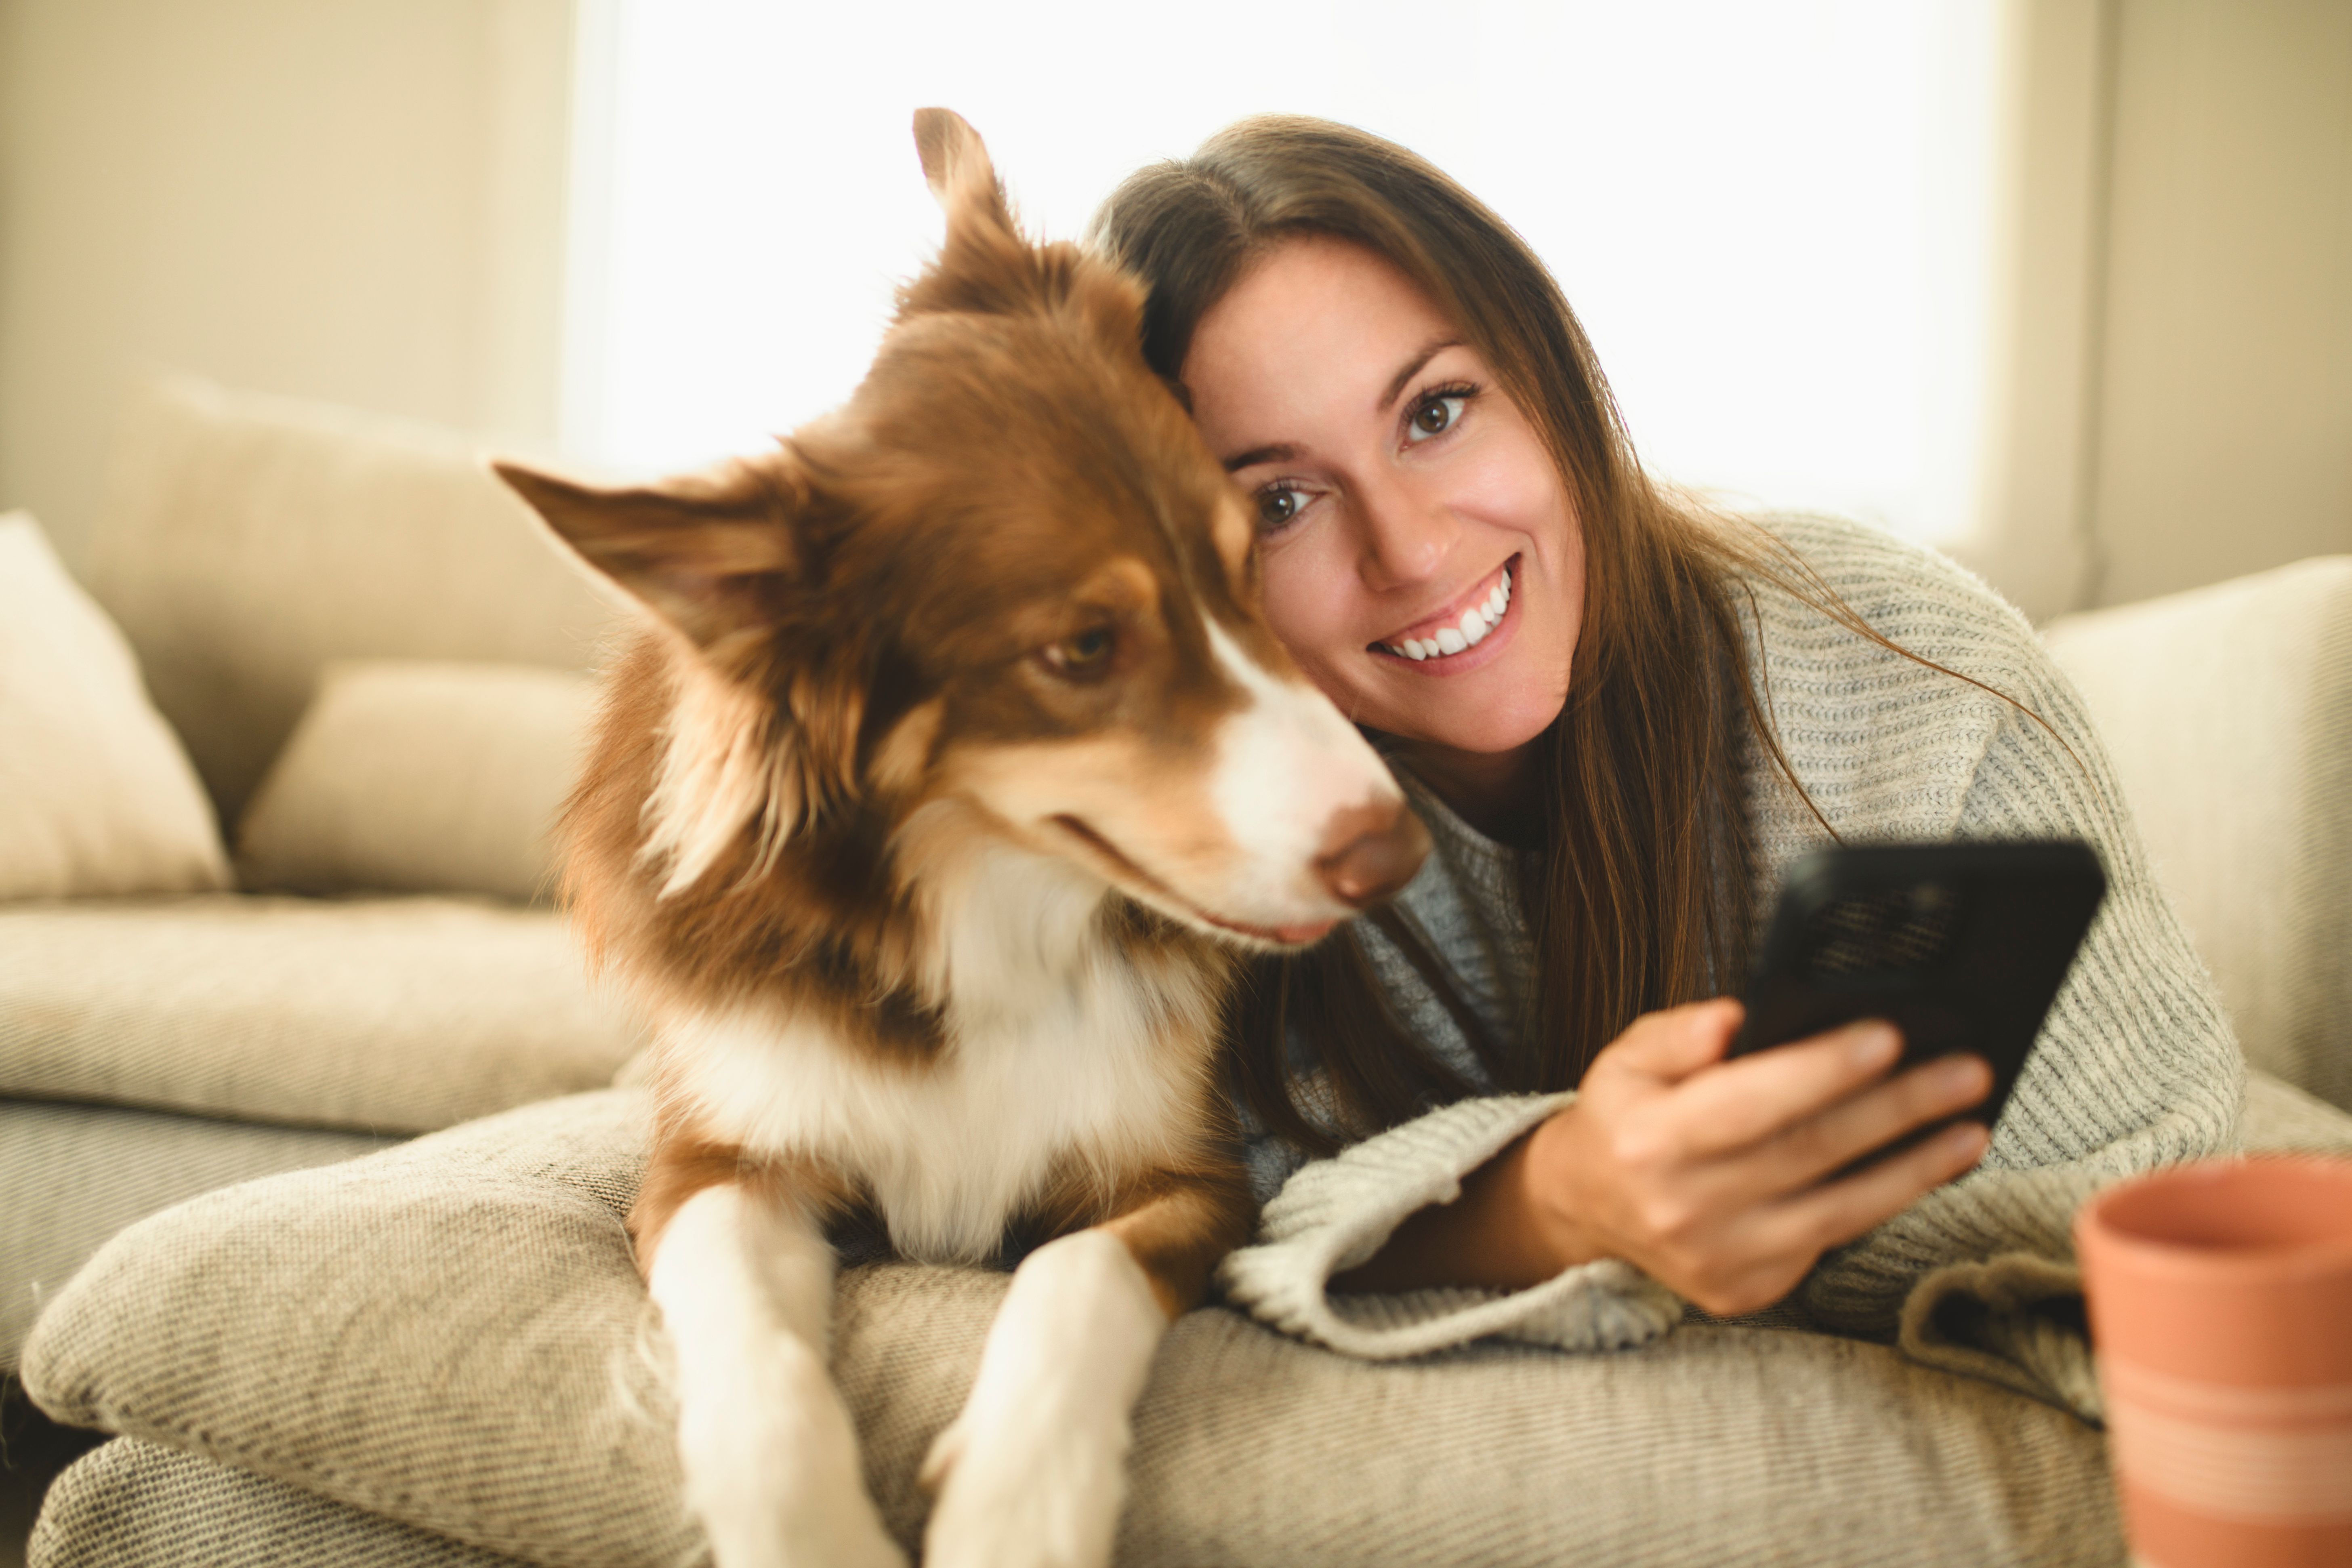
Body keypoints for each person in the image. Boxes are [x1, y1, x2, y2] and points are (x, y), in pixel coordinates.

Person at [1086, 116, 2240, 1373]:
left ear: (1551, 379)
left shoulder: (1911, 670)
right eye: (1281, 503)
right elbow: (1224, 1193)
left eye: (1438, 409)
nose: (1411, 549)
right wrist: (1553, 1198)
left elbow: (2169, 1168)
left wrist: (1757, 1221)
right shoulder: (1198, 845)